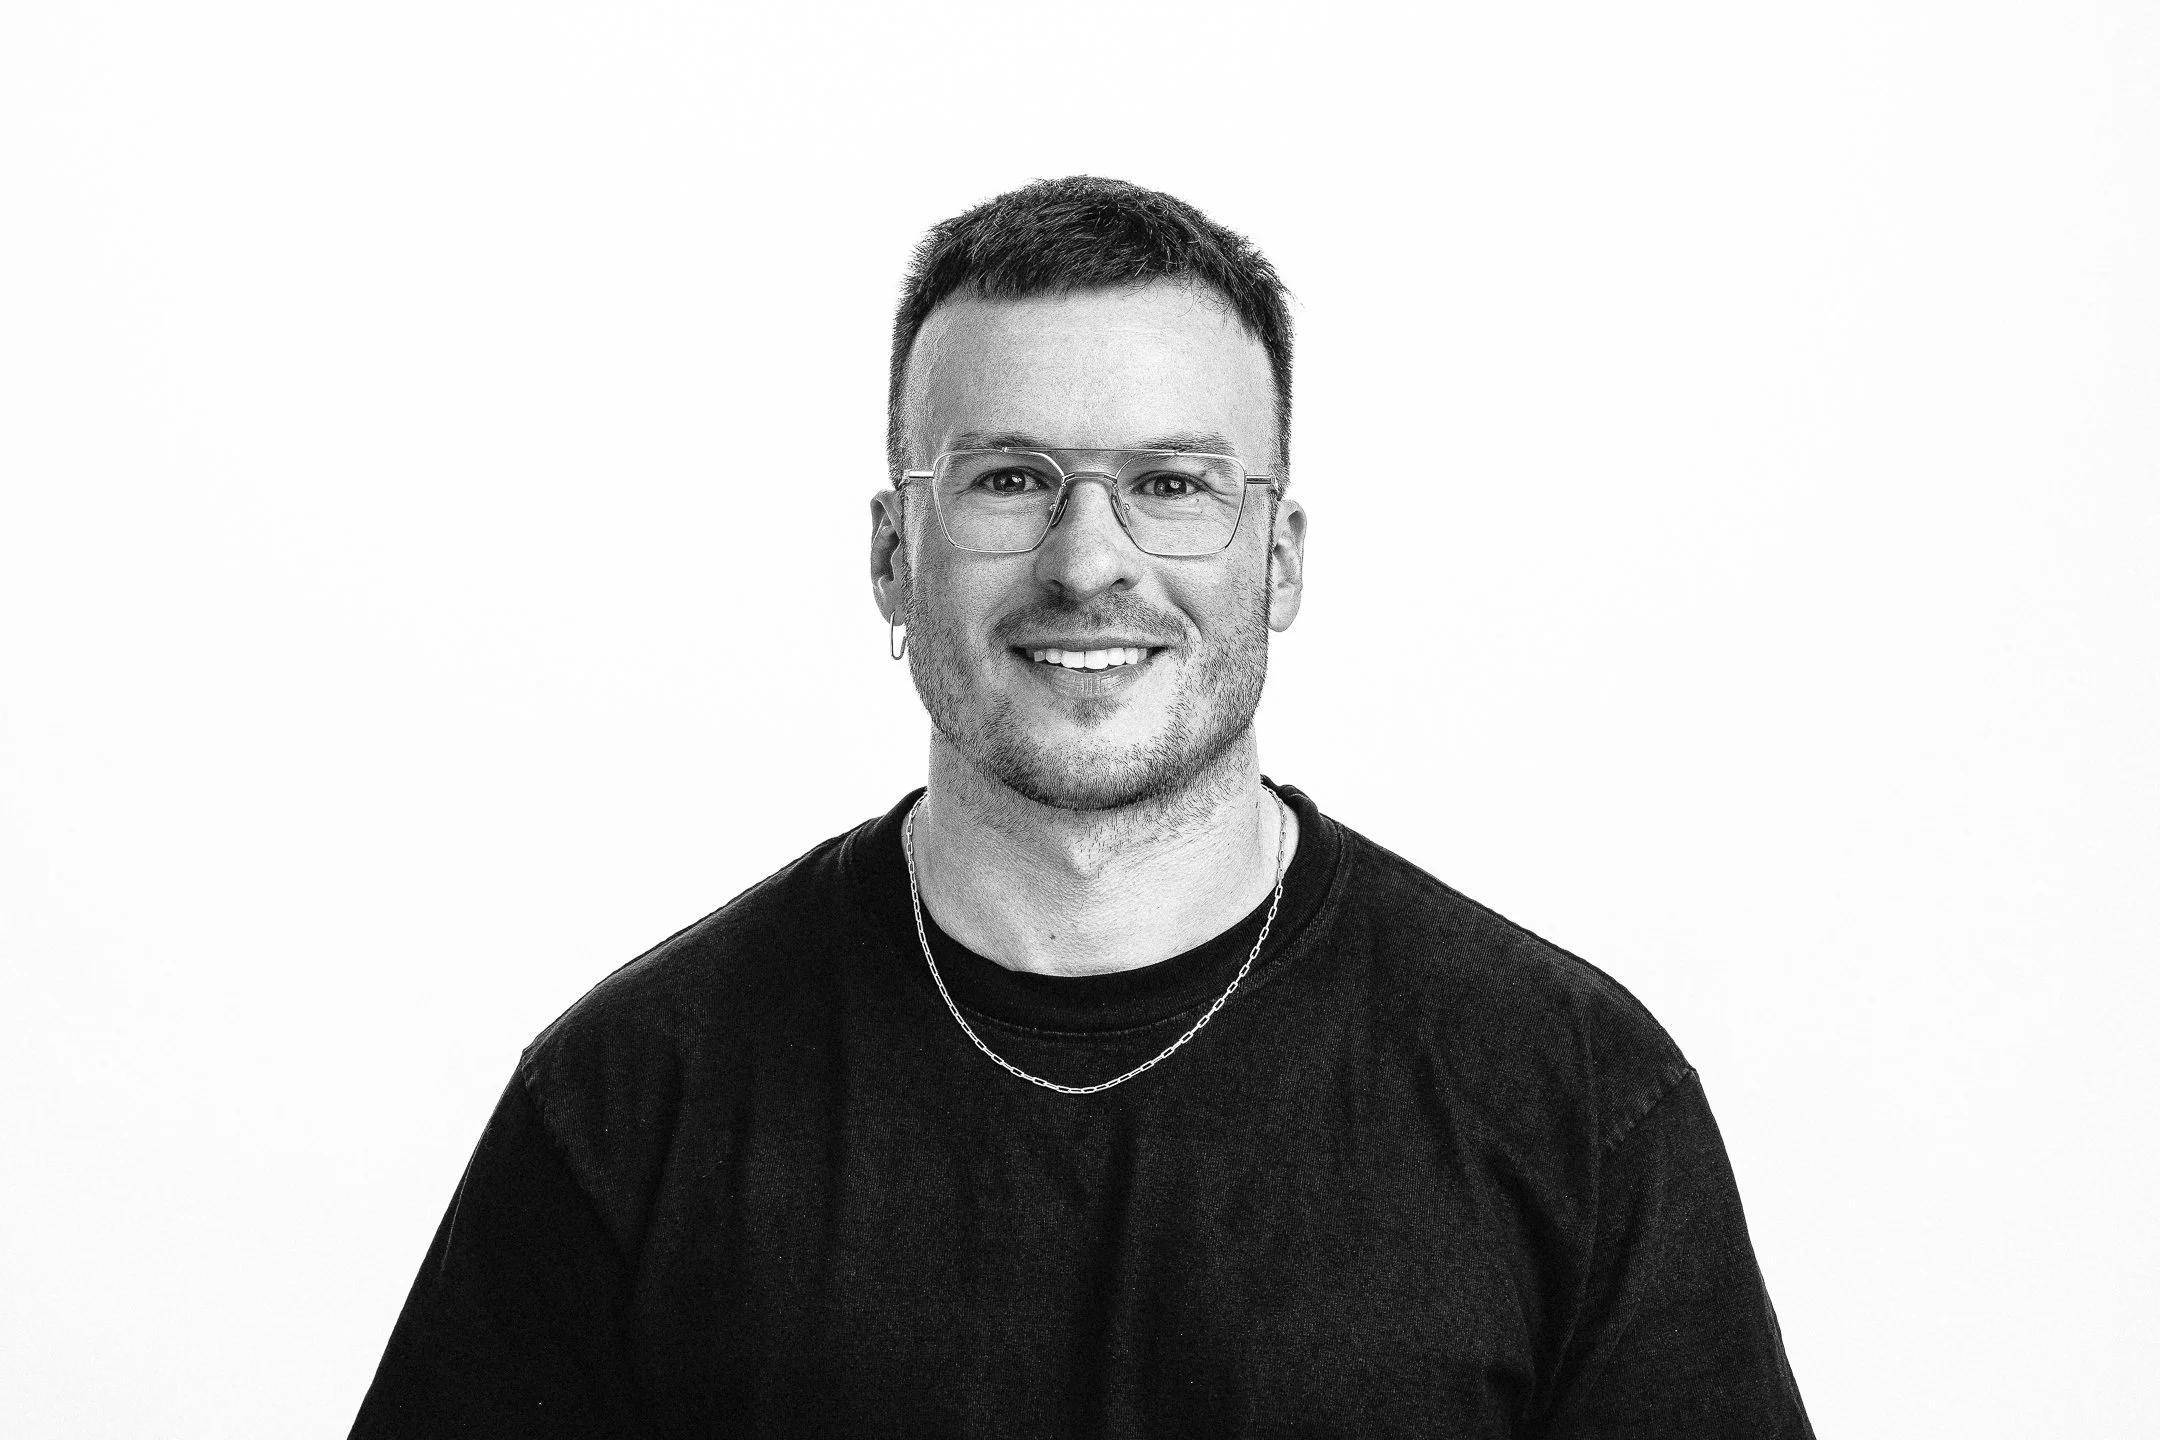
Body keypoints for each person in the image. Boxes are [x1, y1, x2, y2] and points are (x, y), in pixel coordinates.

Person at [352, 176, 1813, 1438]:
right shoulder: (630, 1105)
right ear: (893, 553)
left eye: (1171, 483)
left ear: (1280, 559)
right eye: (1010, 479)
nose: (1088, 561)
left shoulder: (1568, 1101)